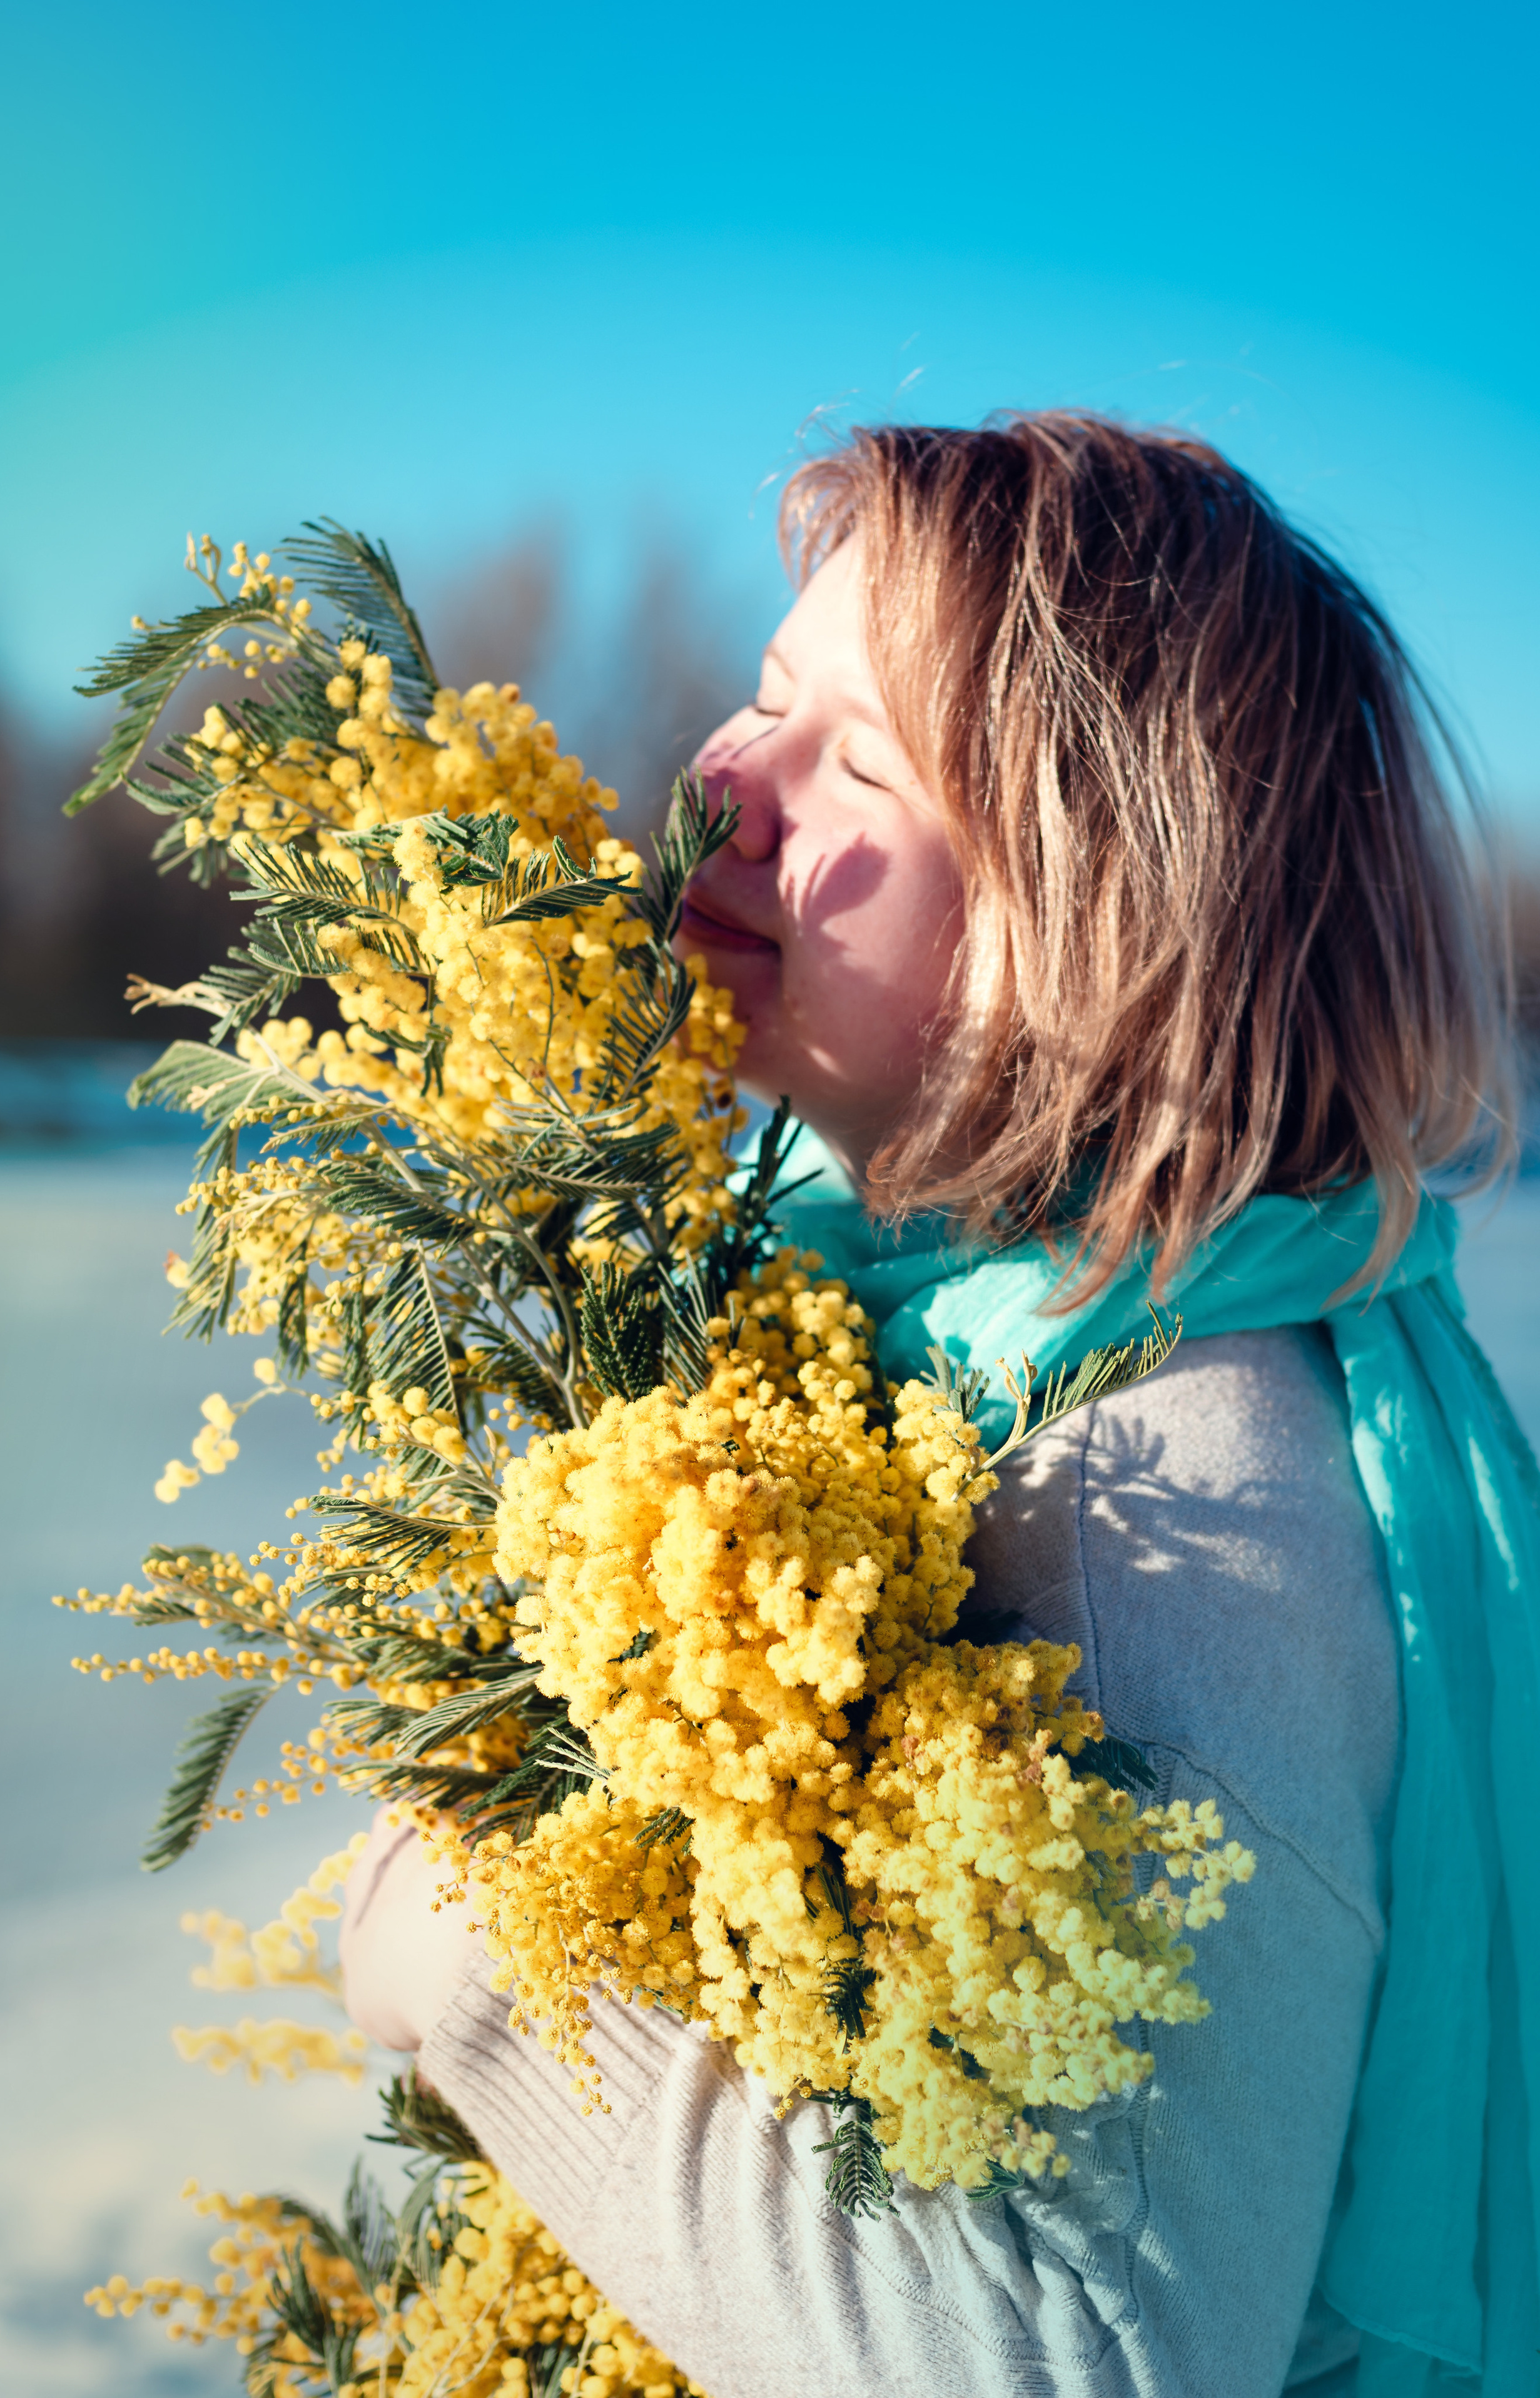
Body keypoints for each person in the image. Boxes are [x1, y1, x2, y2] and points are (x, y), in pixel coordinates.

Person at [340, 413, 1540, 2396]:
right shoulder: (889, 1318)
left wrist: (478, 1958)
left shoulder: (1171, 1519)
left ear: (1099, 925)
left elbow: (1075, 2361)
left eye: (862, 763)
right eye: (765, 698)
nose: (723, 781)